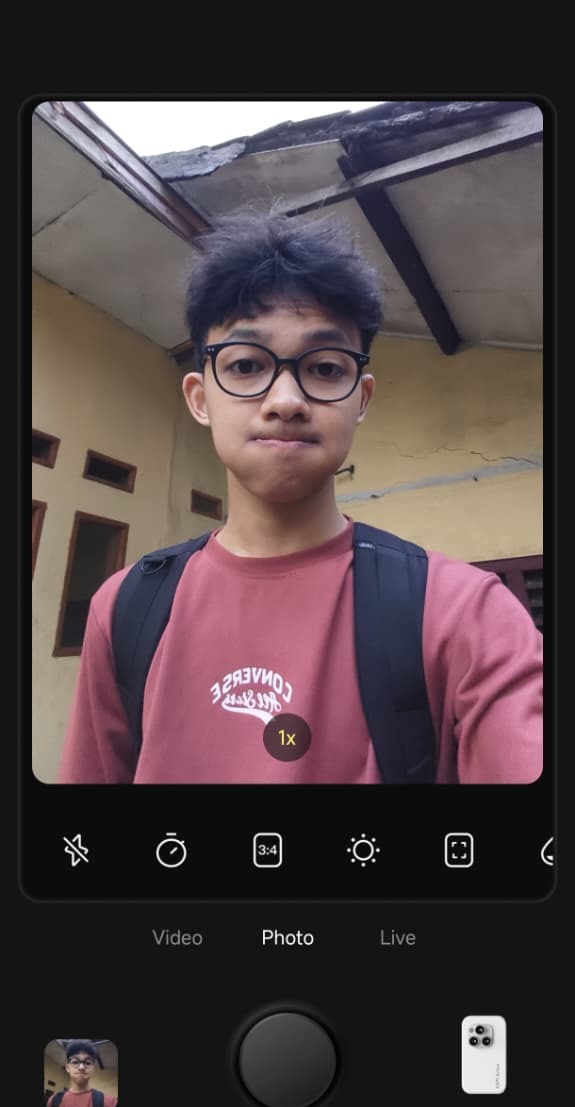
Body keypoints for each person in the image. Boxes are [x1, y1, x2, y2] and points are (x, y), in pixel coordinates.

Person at [57, 210, 542, 784]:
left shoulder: (466, 614)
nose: (285, 400)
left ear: (361, 399)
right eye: (245, 364)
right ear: (200, 398)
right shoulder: (125, 608)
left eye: (325, 368)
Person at [46, 1040, 117, 1107]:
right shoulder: (53, 1101)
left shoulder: (108, 1103)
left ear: (93, 1068)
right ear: (67, 1067)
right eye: (75, 1062)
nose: (81, 1067)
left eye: (88, 1062)